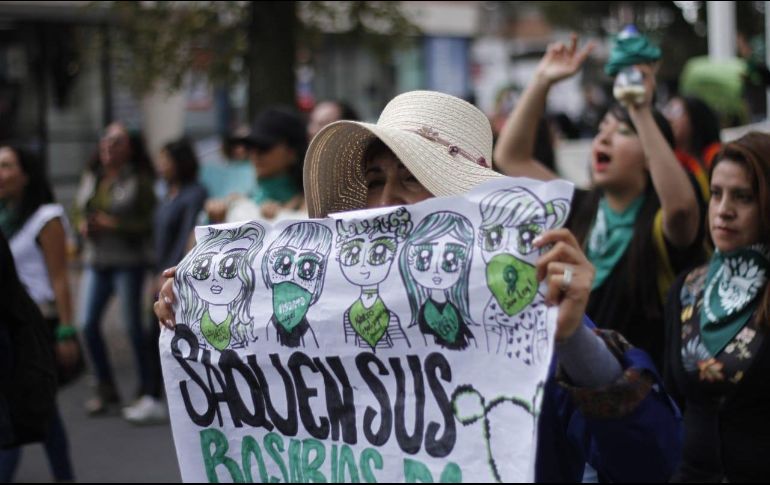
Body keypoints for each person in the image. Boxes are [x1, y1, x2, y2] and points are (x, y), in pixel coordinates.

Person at [155, 89, 682, 481]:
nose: (384, 202)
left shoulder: (526, 312)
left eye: (410, 178)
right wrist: (204, 318)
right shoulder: (323, 317)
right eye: (375, 180)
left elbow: (650, 463)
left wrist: (573, 340)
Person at [494, 35, 705, 369]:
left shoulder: (658, 225)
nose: (603, 137)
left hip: (644, 406)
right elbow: (510, 157)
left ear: (652, 154)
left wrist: (640, 109)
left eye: (623, 132)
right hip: (580, 398)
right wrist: (542, 80)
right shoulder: (581, 207)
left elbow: (680, 209)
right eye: (602, 128)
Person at [663, 132, 770, 482]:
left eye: (743, 197)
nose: (724, 210)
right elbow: (674, 397)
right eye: (717, 194)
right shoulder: (687, 288)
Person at [0, 145, 76, 481]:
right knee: (39, 407)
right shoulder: (4, 217)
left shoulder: (46, 218)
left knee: (19, 403)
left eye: (6, 166)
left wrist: (67, 331)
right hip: (9, 321)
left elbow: (60, 279)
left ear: (25, 174)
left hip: (40, 323)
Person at [72, 122, 156, 415]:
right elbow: (77, 210)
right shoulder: (92, 176)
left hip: (127, 262)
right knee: (86, 324)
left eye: (116, 141)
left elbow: (150, 224)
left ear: (129, 147)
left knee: (133, 327)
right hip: (96, 260)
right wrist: (82, 225)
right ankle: (105, 386)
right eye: (105, 140)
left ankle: (147, 388)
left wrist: (115, 225)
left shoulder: (139, 180)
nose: (108, 146)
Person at [122, 138, 207, 425]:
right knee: (151, 336)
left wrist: (168, 274)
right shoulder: (168, 193)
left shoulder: (194, 193)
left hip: (173, 275)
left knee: (164, 335)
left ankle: (160, 396)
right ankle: (151, 394)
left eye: (166, 160)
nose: (161, 166)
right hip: (158, 272)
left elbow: (186, 236)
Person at [205, 107, 307, 223]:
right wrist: (214, 221)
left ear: (292, 152)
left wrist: (284, 217)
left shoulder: (311, 204)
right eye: (250, 147)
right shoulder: (240, 198)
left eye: (264, 147)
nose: (254, 155)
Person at [663, 95, 722, 201]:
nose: (669, 118)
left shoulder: (717, 156)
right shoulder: (664, 158)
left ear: (696, 117)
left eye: (676, 112)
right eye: (667, 111)